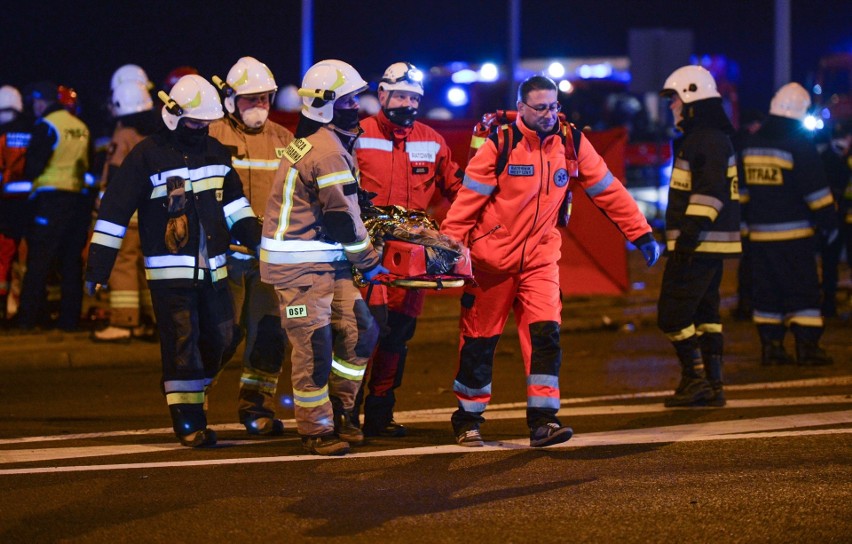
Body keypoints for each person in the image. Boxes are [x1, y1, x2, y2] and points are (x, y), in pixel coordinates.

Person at [439, 75, 659, 447]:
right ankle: (467, 419)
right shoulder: (501, 144)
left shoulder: (571, 142)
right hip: (491, 263)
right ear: (521, 107)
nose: (548, 114)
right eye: (540, 107)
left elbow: (607, 189)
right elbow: (466, 205)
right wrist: (448, 248)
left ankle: (544, 420)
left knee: (546, 336)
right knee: (479, 341)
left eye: (553, 106)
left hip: (540, 260)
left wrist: (641, 232)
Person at [85, 74, 261, 447]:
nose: (200, 129)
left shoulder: (215, 152)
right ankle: (190, 423)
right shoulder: (147, 156)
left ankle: (188, 384)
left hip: (214, 270)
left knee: (227, 335)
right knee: (183, 343)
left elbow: (234, 204)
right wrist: (98, 267)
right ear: (174, 116)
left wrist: (256, 238)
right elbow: (114, 212)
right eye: (194, 123)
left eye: (205, 123)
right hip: (170, 275)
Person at [259, 59, 386, 456]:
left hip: (326, 263)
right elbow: (342, 222)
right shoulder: (328, 151)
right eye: (350, 99)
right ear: (328, 104)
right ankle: (316, 429)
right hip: (300, 269)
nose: (359, 106)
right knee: (314, 346)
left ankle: (343, 410)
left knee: (361, 329)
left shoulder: (320, 142)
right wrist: (369, 261)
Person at [353, 61, 463, 438]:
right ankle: (345, 413)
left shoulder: (431, 140)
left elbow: (459, 191)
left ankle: (380, 415)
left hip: (411, 258)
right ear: (381, 95)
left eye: (414, 97)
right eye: (400, 95)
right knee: (359, 332)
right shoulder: (358, 134)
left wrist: (451, 235)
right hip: (363, 252)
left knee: (397, 336)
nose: (407, 103)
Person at [209, 56, 295, 436]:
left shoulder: (285, 141)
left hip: (269, 259)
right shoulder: (212, 136)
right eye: (250, 99)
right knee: (221, 334)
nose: (259, 106)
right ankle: (193, 400)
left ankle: (256, 408)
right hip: (222, 255)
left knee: (270, 335)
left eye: (264, 99)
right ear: (231, 99)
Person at [657, 66, 741, 407]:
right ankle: (713, 383)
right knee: (706, 315)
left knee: (672, 314)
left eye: (674, 99)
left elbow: (710, 192)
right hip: (707, 244)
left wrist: (688, 236)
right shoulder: (708, 137)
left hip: (698, 244)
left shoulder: (703, 139)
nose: (671, 106)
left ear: (691, 98)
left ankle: (696, 379)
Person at [741, 83, 837, 366]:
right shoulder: (798, 144)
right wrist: (829, 224)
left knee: (767, 292)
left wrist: (746, 227)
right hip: (794, 236)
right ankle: (807, 347)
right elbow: (817, 194)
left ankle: (771, 347)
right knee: (802, 289)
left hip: (759, 237)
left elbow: (742, 193)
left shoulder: (751, 144)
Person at [18, 81, 92, 332]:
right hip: (78, 201)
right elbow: (88, 166)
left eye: (35, 102)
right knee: (71, 263)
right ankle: (69, 321)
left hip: (50, 202)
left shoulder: (46, 126)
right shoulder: (81, 127)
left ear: (42, 101)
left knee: (39, 260)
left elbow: (34, 167)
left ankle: (29, 319)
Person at [91, 80, 161, 342]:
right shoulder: (156, 132)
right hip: (152, 211)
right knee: (147, 266)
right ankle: (149, 320)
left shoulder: (124, 134)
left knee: (122, 263)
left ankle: (124, 322)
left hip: (126, 212)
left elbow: (118, 173)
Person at [0, 85, 33, 323]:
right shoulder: (33, 132)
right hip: (31, 207)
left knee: (4, 258)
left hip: (5, 207)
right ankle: (21, 304)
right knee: (26, 258)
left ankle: (5, 305)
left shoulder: (1, 136)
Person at [818, 121, 851, 317]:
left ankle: (828, 302)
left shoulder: (825, 156)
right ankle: (828, 302)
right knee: (830, 260)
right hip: (835, 216)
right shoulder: (833, 158)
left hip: (836, 216)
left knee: (830, 260)